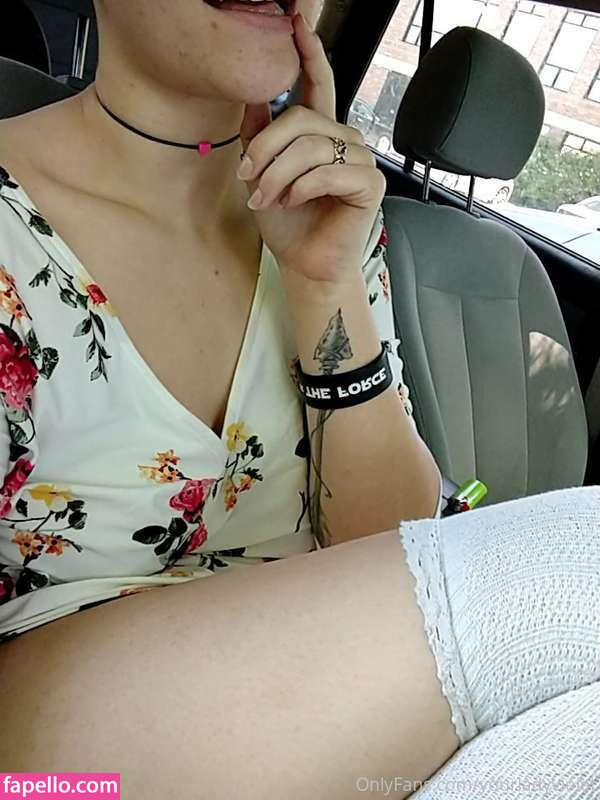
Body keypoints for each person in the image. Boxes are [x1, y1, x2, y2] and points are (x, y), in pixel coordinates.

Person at [0, 2, 598, 797]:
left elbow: (387, 546)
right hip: (59, 774)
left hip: (328, 723)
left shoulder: (334, 217)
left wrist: (325, 283)